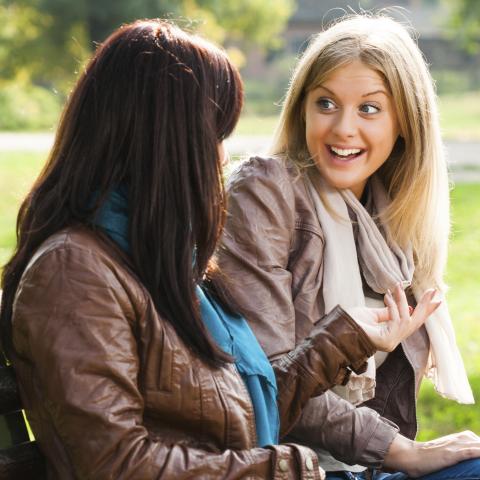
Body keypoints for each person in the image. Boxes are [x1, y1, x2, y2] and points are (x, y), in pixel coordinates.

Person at [0, 19, 440, 480]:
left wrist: (345, 338)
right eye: (214, 134)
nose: (223, 157)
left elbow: (243, 408)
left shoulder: (153, 259)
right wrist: (283, 467)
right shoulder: (75, 273)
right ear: (165, 139)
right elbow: (114, 465)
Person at [217, 13, 480, 480]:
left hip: (367, 466)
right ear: (302, 108)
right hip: (289, 466)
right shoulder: (267, 192)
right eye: (326, 103)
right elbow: (264, 386)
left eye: (369, 108)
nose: (342, 128)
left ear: (405, 122)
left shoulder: (391, 221)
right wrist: (401, 452)